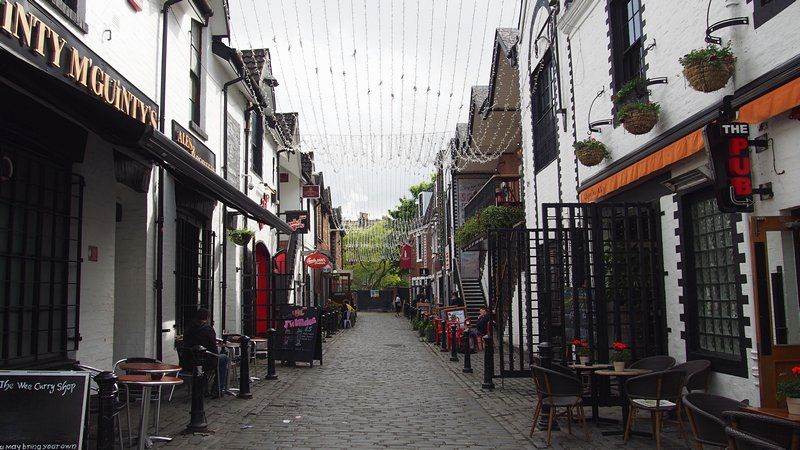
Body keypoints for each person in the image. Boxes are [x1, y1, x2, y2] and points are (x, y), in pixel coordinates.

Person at [183, 308, 229, 396]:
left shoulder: (188, 328)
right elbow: (213, 349)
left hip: (187, 361)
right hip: (205, 361)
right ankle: (217, 389)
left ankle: (204, 388)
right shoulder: (208, 330)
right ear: (207, 317)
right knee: (224, 358)